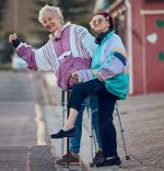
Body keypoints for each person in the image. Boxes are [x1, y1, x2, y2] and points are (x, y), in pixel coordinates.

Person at [8, 5, 102, 165]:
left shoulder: (77, 31)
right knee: (74, 119)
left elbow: (97, 51)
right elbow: (36, 59)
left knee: (96, 115)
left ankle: (103, 150)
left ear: (58, 18)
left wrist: (96, 74)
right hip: (73, 88)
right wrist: (18, 44)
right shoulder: (50, 46)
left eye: (50, 19)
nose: (47, 23)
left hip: (91, 82)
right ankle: (73, 154)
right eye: (44, 22)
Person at [50, 12, 129, 167]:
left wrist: (100, 77)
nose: (95, 23)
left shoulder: (114, 39)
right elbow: (95, 70)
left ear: (108, 22)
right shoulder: (101, 44)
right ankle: (111, 157)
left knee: (79, 90)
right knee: (104, 120)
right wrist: (80, 74)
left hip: (112, 83)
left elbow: (119, 61)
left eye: (99, 20)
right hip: (106, 82)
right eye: (93, 22)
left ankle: (69, 127)